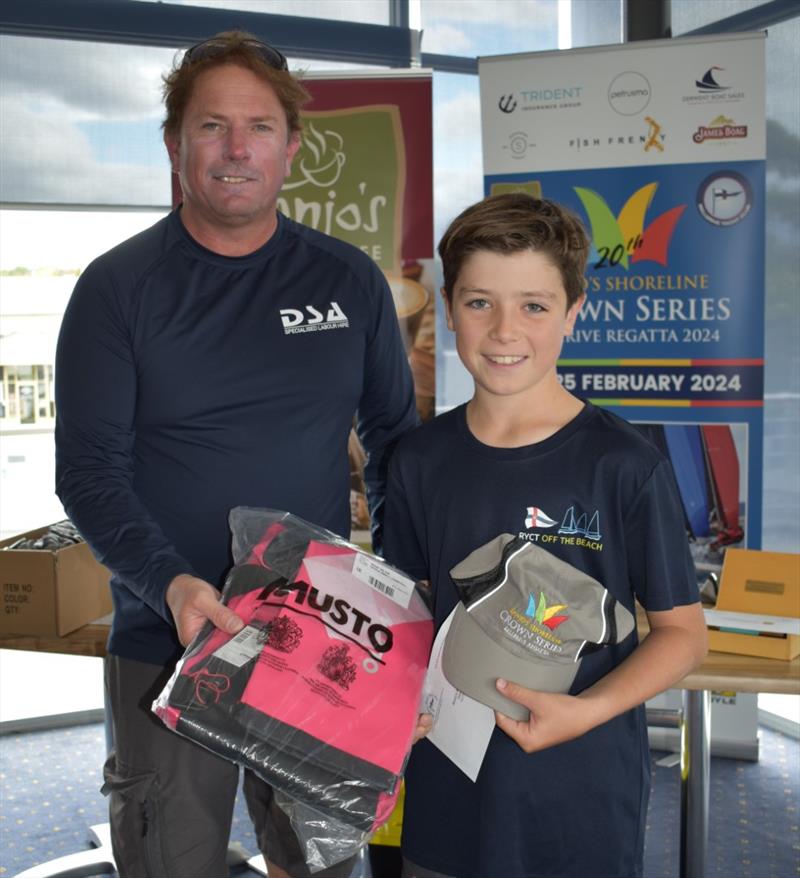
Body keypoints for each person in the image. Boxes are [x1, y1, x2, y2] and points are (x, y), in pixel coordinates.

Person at [54, 30, 418, 878]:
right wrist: (170, 583)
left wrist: (405, 591)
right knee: (171, 862)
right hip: (167, 641)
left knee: (318, 864)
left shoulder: (348, 281)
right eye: (212, 126)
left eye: (257, 127)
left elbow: (395, 442)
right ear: (175, 144)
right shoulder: (118, 289)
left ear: (291, 146)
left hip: (321, 648)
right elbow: (89, 472)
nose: (235, 149)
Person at [383, 193, 708, 878]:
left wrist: (583, 713)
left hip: (579, 791)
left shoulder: (624, 464)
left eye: (533, 305)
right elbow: (409, 610)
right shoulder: (418, 459)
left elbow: (683, 635)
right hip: (448, 784)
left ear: (573, 314)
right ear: (448, 311)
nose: (504, 330)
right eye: (479, 303)